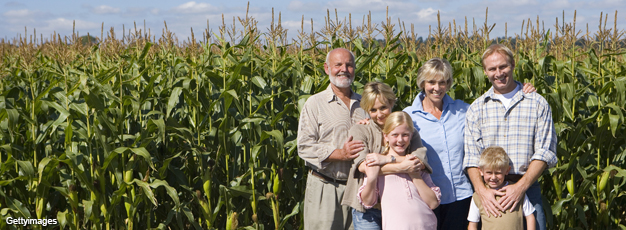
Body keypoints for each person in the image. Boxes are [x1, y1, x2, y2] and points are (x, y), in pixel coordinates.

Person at [403, 57, 536, 230]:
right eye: (431, 82)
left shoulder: (464, 110)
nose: (437, 88)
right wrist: (366, 123)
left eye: (442, 82)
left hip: (461, 197)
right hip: (425, 197)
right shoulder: (409, 116)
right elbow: (388, 137)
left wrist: (521, 89)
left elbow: (495, 108)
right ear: (422, 83)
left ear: (449, 83)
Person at [463, 44, 557, 230]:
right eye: (492, 69)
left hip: (527, 188)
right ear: (485, 71)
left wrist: (520, 187)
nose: (498, 73)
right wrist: (482, 191)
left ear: (513, 64)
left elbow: (545, 152)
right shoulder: (477, 108)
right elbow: (472, 157)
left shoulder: (537, 103)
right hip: (490, 192)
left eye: (503, 66)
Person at [342, 82, 432, 229]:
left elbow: (420, 160)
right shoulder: (360, 130)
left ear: (391, 102)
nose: (379, 114)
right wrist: (403, 166)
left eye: (383, 107)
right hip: (368, 209)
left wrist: (387, 159)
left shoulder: (407, 130)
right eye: (373, 110)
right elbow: (364, 166)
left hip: (400, 206)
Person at [297, 48, 368, 229]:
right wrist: (340, 154)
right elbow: (304, 147)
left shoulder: (366, 104)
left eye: (349, 65)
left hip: (359, 189)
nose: (344, 69)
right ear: (327, 68)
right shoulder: (315, 103)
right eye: (338, 65)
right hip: (326, 187)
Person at [358, 111, 440, 230]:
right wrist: (371, 178)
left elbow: (432, 203)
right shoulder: (378, 164)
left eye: (405, 135)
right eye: (395, 135)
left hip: (426, 225)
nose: (400, 140)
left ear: (411, 136)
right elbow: (368, 202)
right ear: (385, 136)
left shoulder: (416, 163)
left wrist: (414, 174)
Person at [467, 146, 536, 230]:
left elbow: (530, 217)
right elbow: (472, 224)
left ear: (507, 170)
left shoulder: (516, 192)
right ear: (480, 171)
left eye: (498, 173)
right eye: (489, 172)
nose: (493, 177)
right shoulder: (478, 196)